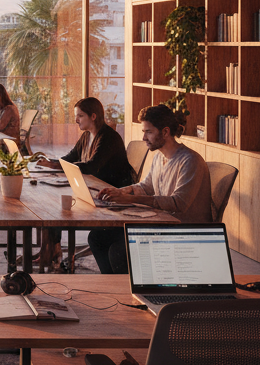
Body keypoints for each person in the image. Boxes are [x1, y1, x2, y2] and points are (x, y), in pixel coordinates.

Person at [89, 104, 213, 273]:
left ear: (165, 132)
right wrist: (121, 192)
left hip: (182, 232)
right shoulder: (159, 157)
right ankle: (116, 290)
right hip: (161, 225)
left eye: (148, 132)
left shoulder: (190, 161)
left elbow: (178, 203)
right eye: (143, 132)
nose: (143, 138)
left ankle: (131, 293)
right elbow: (146, 187)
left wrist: (130, 199)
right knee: (97, 238)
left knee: (119, 252)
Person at [36, 97, 133, 269]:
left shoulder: (109, 137)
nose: (76, 120)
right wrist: (50, 162)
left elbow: (91, 167)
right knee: (52, 203)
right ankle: (50, 250)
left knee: (57, 206)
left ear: (93, 116)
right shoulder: (86, 136)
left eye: (80, 116)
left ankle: (51, 251)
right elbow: (70, 158)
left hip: (110, 196)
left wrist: (58, 165)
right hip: (92, 189)